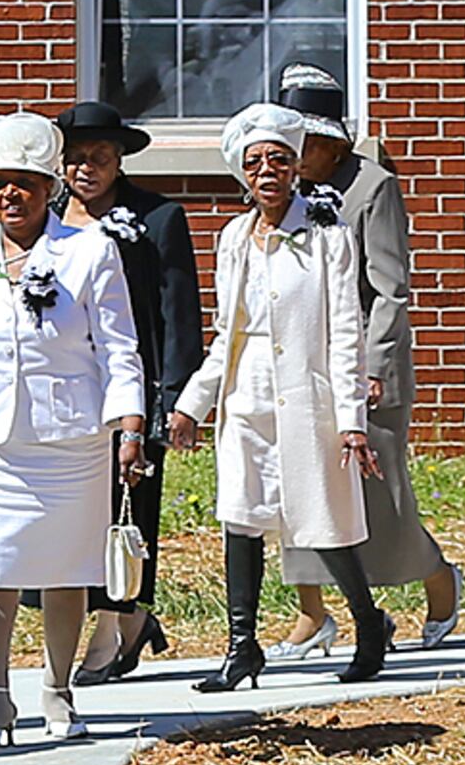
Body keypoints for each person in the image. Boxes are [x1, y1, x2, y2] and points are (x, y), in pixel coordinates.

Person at [169, 107, 394, 688]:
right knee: (239, 519)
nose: (267, 171)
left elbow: (346, 330)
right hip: (248, 402)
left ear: (296, 169)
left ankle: (369, 624)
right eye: (255, 163)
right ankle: (241, 647)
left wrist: (352, 420)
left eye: (278, 160)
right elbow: (228, 332)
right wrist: (193, 403)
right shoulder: (233, 239)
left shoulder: (328, 236)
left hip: (308, 398)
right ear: (242, 175)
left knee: (324, 520)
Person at [0, 114, 146, 744]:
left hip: (73, 440)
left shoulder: (89, 251)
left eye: (26, 182)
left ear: (49, 185)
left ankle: (58, 693)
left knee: (66, 570)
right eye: (1, 182)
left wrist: (130, 420)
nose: (13, 195)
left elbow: (118, 345)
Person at [275, 65, 461, 647]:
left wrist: (375, 367)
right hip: (301, 362)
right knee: (296, 492)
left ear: (333, 142)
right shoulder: (281, 190)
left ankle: (440, 582)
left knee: (378, 496)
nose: (294, 155)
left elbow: (390, 288)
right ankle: (314, 612)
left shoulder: (372, 187)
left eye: (305, 143)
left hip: (363, 363)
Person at [57, 100, 201, 684]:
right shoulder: (51, 219)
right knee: (80, 513)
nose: (85, 169)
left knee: (129, 509)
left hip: (131, 388)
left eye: (98, 158)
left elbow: (178, 316)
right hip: (69, 390)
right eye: (75, 159)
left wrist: (171, 399)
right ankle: (125, 616)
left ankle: (121, 622)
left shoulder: (156, 218)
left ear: (119, 162)